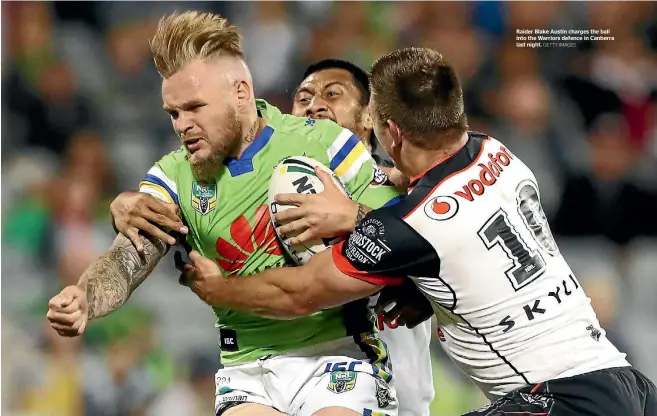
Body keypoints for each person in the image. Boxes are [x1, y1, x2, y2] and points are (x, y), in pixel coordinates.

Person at [166, 47, 657, 416]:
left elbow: (303, 292)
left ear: (391, 132)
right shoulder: (497, 152)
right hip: (621, 380)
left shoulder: (409, 226)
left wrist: (219, 288)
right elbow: (437, 206)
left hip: (557, 399)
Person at [46, 11, 403, 416]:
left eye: (195, 107)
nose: (183, 125)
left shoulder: (326, 144)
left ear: (241, 92)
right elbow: (128, 259)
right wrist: (84, 297)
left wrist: (351, 215)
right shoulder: (173, 177)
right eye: (173, 113)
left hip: (339, 356)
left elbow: (402, 228)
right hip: (245, 371)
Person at [110, 58, 434, 416]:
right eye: (304, 97)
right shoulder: (281, 184)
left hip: (391, 378)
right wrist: (125, 200)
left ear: (369, 116)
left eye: (333, 94)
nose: (315, 105)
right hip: (303, 366)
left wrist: (352, 216)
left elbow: (437, 246)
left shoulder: (404, 185)